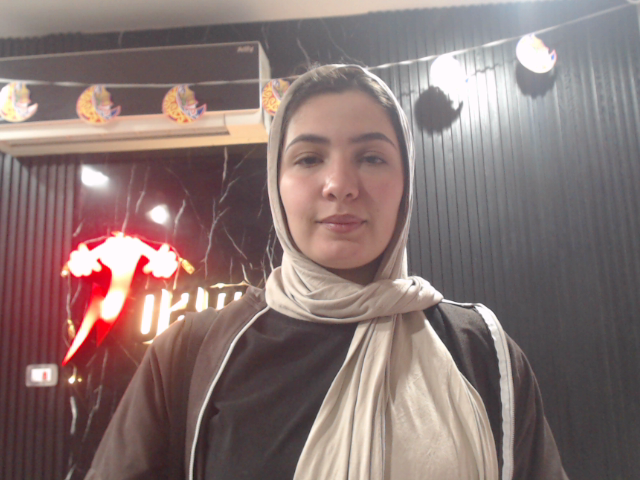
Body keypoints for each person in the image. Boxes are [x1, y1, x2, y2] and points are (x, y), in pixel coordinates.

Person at [85, 65, 568, 480]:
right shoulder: (191, 356)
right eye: (309, 158)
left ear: (406, 182)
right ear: (276, 183)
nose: (339, 185)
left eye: (372, 158)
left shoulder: (483, 353)